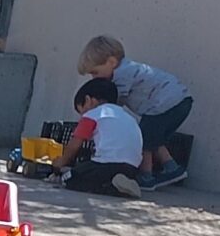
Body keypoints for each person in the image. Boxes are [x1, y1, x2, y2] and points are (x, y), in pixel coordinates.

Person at [77, 34, 190, 185]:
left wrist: (97, 113)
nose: (94, 78)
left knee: (144, 138)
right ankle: (172, 167)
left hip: (166, 102)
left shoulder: (122, 74)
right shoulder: (127, 69)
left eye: (95, 72)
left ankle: (146, 175)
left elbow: (115, 103)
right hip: (180, 101)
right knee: (154, 138)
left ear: (111, 62)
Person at [55, 74, 147, 197]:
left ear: (88, 100)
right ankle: (118, 185)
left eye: (82, 111)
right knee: (98, 176)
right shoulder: (129, 117)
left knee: (69, 178)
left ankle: (112, 185)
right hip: (132, 169)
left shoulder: (92, 115)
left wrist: (61, 162)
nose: (82, 116)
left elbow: (74, 145)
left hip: (106, 165)